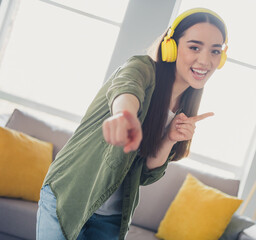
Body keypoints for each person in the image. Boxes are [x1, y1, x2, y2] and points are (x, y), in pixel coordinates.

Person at [36, 7, 229, 240]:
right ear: (172, 46)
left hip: (112, 218)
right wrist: (124, 115)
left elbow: (146, 174)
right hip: (69, 195)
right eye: (194, 47)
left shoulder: (186, 105)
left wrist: (169, 139)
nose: (205, 60)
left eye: (215, 51)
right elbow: (126, 88)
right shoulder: (142, 68)